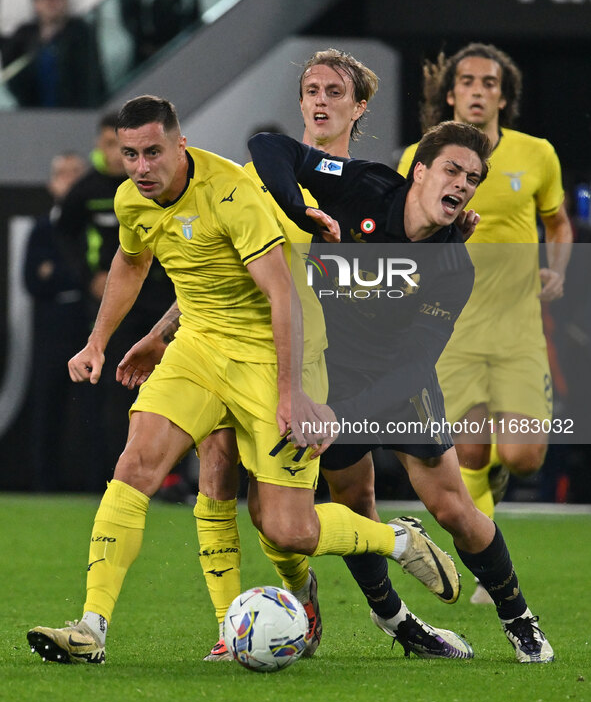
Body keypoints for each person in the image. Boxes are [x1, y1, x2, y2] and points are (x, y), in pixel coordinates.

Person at [26, 95, 470, 666]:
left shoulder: (232, 194)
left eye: (153, 152)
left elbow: (282, 294)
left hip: (273, 354)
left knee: (288, 529)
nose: (141, 167)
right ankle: (93, 628)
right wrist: (100, 341)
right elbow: (132, 260)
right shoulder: (130, 198)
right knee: (138, 464)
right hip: (201, 348)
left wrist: (290, 394)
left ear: (180, 145)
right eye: (130, 153)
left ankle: (398, 539)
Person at [247, 119, 554, 664]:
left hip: (398, 384)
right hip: (331, 372)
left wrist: (342, 417)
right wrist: (301, 210)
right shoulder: (363, 184)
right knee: (353, 504)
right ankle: (395, 621)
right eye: (452, 170)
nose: (461, 184)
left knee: (453, 508)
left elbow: (413, 369)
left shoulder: (452, 266)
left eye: (473, 178)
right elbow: (269, 149)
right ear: (419, 172)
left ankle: (519, 619)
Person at [397, 43, 572, 604]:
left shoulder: (536, 155)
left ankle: (498, 480)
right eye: (467, 81)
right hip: (451, 330)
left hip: (519, 327)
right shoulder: (415, 159)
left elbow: (559, 223)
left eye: (489, 83)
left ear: (503, 96)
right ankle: (485, 567)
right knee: (467, 451)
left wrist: (558, 269)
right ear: (450, 94)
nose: (478, 90)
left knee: (523, 455)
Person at [56, 111, 176, 480]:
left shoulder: (159, 187)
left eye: (149, 152)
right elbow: (64, 234)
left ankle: (171, 478)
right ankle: (118, 475)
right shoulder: (93, 190)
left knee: (176, 386)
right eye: (122, 150)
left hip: (167, 300)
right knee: (119, 387)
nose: (138, 164)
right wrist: (87, 277)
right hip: (122, 303)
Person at [23, 151, 89, 492]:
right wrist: (78, 277)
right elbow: (33, 280)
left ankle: (99, 483)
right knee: (47, 406)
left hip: (89, 327)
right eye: (62, 173)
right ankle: (44, 485)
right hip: (50, 332)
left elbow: (93, 275)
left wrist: (58, 273)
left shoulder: (94, 225)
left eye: (76, 172)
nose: (69, 180)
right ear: (51, 183)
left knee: (94, 409)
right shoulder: (41, 228)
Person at [1, 0, 103, 108]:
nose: (51, 3)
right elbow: (11, 72)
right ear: (36, 3)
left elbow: (89, 76)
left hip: (75, 110)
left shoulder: (80, 31)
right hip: (33, 111)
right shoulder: (24, 34)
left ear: (65, 1)